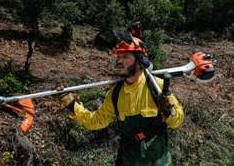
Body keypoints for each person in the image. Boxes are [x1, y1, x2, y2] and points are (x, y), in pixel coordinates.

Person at [61, 36, 184, 166]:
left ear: (140, 61)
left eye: (125, 57)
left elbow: (177, 121)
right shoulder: (115, 94)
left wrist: (169, 112)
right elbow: (96, 121)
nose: (119, 61)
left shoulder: (157, 87)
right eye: (118, 57)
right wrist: (73, 107)